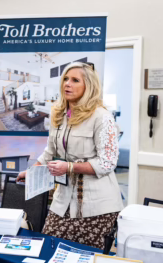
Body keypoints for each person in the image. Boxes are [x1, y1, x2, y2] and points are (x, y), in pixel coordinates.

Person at [17, 62, 123, 249]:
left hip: (97, 206)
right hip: (62, 200)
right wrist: (31, 172)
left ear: (88, 86)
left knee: (85, 262)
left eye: (75, 80)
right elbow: (49, 153)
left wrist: (70, 167)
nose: (67, 84)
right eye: (65, 79)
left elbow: (107, 162)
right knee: (48, 248)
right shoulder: (59, 114)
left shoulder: (101, 117)